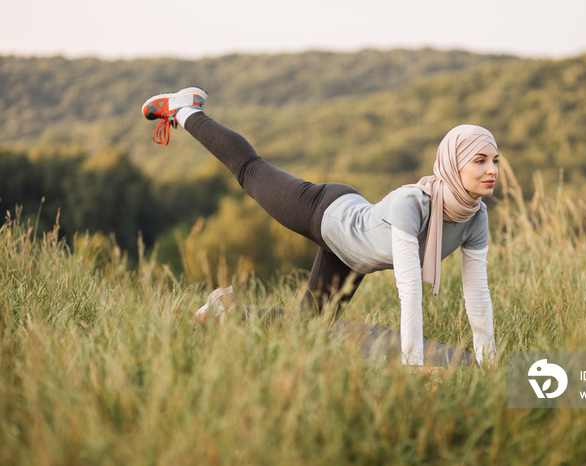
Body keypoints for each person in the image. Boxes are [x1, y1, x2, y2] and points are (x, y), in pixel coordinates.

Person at [141, 87, 498, 367]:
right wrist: (414, 364)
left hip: (352, 256)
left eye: (494, 160)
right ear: (453, 163)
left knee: (308, 329)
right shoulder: (414, 203)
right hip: (326, 212)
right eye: (479, 161)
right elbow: (410, 292)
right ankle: (185, 108)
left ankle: (226, 313)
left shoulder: (474, 215)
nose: (492, 170)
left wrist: (488, 363)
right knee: (250, 170)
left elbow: (477, 295)